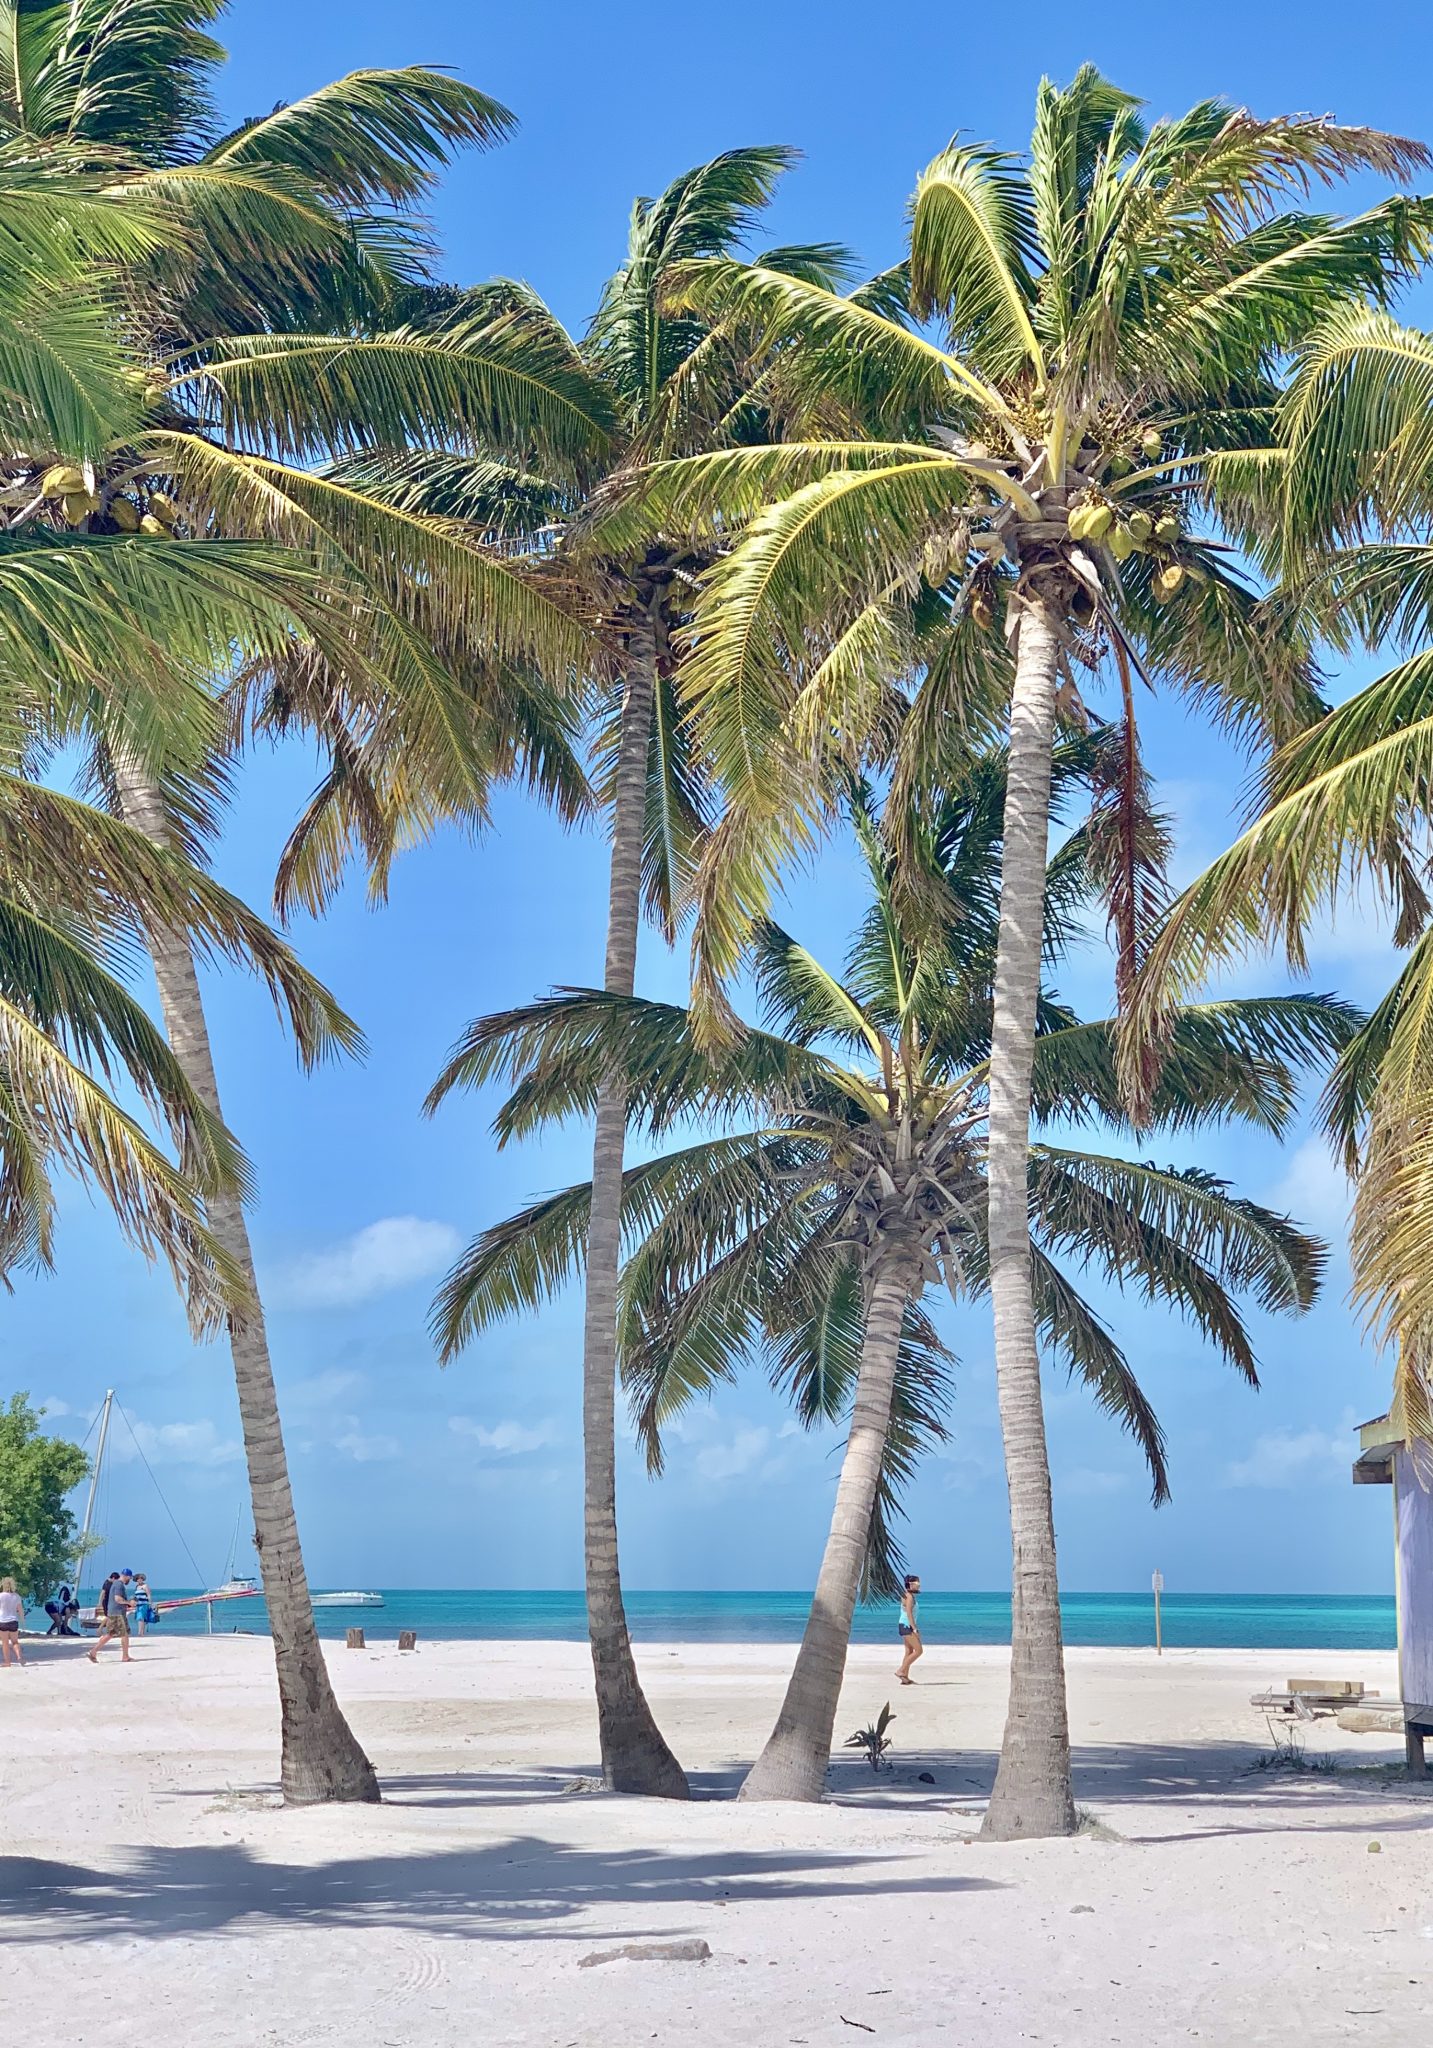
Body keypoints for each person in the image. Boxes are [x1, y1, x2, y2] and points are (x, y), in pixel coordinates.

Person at [88, 1571, 132, 1665]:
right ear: (126, 1576)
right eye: (129, 1578)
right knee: (124, 1634)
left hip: (113, 1612)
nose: (129, 1580)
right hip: (117, 1613)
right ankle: (125, 1656)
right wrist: (129, 1603)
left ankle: (93, 1652)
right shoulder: (119, 1585)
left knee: (110, 1634)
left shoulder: (115, 1584)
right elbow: (117, 1599)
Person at [896, 1573, 923, 1686]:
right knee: (919, 1651)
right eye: (917, 1583)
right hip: (906, 1626)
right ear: (910, 1584)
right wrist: (915, 1629)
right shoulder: (909, 1597)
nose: (919, 1585)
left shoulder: (909, 1596)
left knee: (909, 1651)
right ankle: (901, 1670)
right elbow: (909, 1614)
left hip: (905, 1625)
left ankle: (905, 1678)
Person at [0, 1578, 25, 1666]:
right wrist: (22, 1622)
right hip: (13, 1621)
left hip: (2, 1622)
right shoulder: (17, 1596)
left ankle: (7, 1662)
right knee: (15, 1642)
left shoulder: (0, 1596)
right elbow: (20, 1610)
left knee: (5, 1643)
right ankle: (19, 1656)